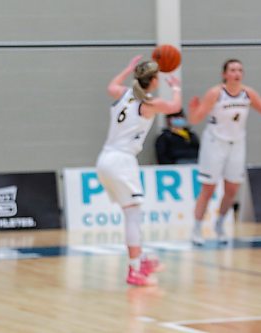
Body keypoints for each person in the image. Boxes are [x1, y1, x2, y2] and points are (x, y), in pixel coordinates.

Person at [96, 55, 182, 286]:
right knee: (133, 215)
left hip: (105, 158)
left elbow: (110, 86)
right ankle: (135, 268)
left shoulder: (124, 94)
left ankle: (141, 258)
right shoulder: (149, 103)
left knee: (130, 213)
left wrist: (126, 69)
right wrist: (176, 87)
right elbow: (175, 107)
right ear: (153, 81)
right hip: (122, 161)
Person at [188, 58, 261, 246]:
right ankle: (196, 228)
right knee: (208, 188)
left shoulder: (248, 93)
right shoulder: (215, 93)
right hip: (215, 143)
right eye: (233, 70)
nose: (237, 73)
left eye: (240, 70)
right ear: (224, 74)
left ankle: (219, 225)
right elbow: (195, 119)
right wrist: (193, 110)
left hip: (237, 143)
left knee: (232, 189)